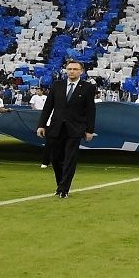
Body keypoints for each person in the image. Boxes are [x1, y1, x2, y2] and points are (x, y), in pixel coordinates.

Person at [36, 60, 98, 198]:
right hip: (56, 127)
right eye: (69, 69)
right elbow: (48, 107)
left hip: (75, 128)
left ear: (81, 71)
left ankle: (64, 189)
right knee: (56, 159)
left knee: (70, 159)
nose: (71, 71)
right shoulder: (57, 85)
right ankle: (60, 185)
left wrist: (89, 130)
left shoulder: (87, 87)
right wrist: (41, 125)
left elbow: (90, 110)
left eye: (75, 69)